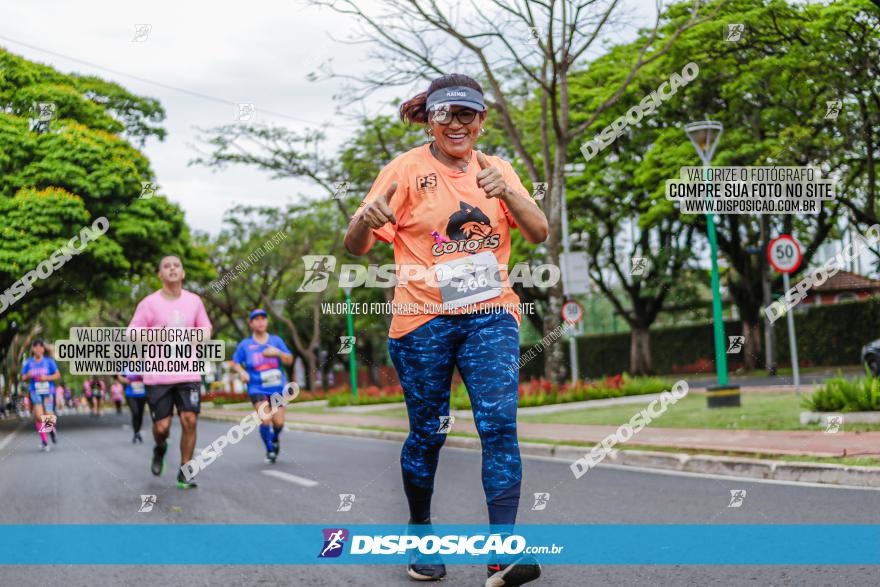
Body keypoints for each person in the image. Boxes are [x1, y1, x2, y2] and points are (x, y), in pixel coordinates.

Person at [344, 73, 548, 585]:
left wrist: (510, 193)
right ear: (430, 119)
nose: (456, 123)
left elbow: (539, 231)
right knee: (429, 433)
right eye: (445, 114)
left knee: (499, 425)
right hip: (423, 321)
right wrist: (365, 219)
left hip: (489, 314)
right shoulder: (406, 169)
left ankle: (502, 554)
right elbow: (356, 246)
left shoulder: (497, 169)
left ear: (481, 121)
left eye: (467, 114)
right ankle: (420, 533)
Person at [128, 255, 212, 489]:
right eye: (167, 266)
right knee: (162, 427)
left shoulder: (195, 301)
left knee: (189, 420)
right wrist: (160, 335)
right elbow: (132, 333)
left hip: (188, 373)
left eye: (176, 266)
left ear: (183, 273)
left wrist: (192, 336)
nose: (172, 269)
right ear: (160, 275)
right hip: (158, 375)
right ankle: (160, 447)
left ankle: (186, 471)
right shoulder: (148, 303)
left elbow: (206, 330)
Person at [232, 309, 294, 463]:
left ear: (267, 322)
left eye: (263, 319)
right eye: (256, 319)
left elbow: (289, 360)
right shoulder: (245, 345)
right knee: (265, 419)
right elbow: (236, 362)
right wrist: (242, 372)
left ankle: (274, 438)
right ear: (251, 323)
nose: (261, 322)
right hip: (256, 387)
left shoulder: (276, 341)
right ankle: (270, 450)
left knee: (279, 422)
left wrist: (278, 353)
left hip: (277, 388)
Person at [20, 339, 61, 451]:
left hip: (48, 392)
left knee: (48, 415)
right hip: (35, 391)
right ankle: (44, 441)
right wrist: (28, 375)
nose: (38, 349)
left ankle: (51, 429)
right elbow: (22, 377)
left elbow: (57, 375)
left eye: (40, 347)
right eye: (36, 347)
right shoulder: (28, 362)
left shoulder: (49, 361)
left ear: (43, 349)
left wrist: (46, 378)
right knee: (39, 416)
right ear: (33, 349)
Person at [118, 371, 147, 443]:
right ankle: (136, 432)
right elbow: (119, 376)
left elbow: (148, 378)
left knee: (140, 414)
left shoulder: (143, 366)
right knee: (135, 413)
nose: (134, 358)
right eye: (132, 358)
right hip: (130, 394)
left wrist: (140, 374)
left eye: (136, 358)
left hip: (142, 394)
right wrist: (126, 380)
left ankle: (138, 432)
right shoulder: (126, 367)